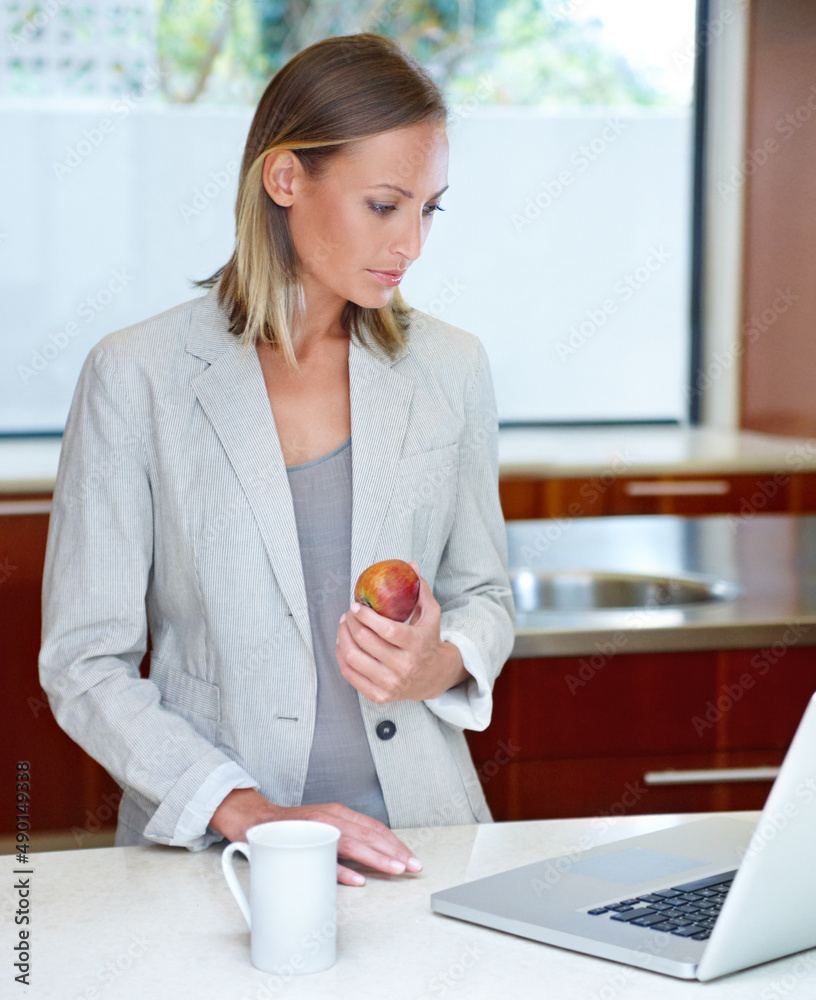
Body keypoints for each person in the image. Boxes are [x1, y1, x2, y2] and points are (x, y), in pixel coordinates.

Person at [39, 33, 515, 887]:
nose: (411, 243)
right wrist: (246, 811)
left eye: (430, 208)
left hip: (423, 846)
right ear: (286, 178)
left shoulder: (452, 367)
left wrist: (440, 660)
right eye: (384, 205)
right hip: (217, 855)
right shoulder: (136, 376)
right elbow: (84, 664)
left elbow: (484, 595)